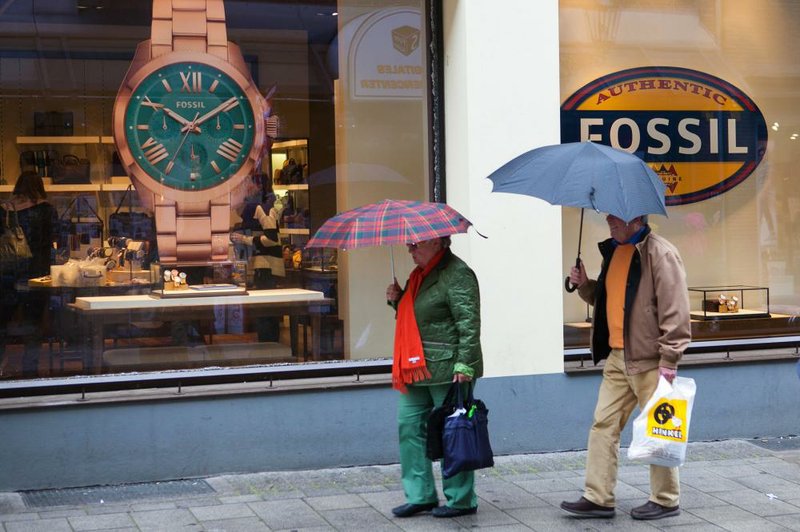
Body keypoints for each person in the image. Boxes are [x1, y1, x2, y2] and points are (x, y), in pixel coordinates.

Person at [560, 214, 690, 521]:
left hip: (650, 359)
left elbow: (676, 311)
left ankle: (666, 499)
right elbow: (607, 300)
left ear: (636, 218)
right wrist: (584, 285)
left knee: (660, 430)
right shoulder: (615, 251)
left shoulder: (660, 253)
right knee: (603, 425)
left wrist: (669, 360)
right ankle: (598, 497)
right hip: (617, 357)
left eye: (615, 214)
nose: (608, 218)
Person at [385, 236, 483, 518]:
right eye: (409, 244)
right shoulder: (418, 276)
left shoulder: (457, 274)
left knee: (454, 433)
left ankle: (461, 499)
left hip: (448, 369)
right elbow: (418, 317)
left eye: (416, 244)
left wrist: (465, 365)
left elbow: (469, 323)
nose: (410, 249)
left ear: (438, 242)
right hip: (415, 368)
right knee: (409, 428)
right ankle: (421, 495)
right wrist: (398, 301)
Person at [0, 171, 56, 378]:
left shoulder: (5, 210)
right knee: (33, 322)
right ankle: (29, 369)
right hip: (37, 273)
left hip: (8, 273)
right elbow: (55, 238)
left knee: (3, 322)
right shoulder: (46, 211)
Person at [231, 192, 285, 342]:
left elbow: (272, 238)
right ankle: (268, 343)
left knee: (266, 309)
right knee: (264, 309)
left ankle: (270, 344)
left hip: (268, 266)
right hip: (263, 266)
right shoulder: (256, 211)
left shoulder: (264, 210)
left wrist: (245, 239)